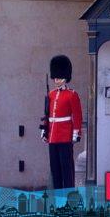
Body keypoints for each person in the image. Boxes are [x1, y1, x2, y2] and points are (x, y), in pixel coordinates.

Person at [41, 55, 82, 189]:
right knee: (55, 169)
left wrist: (76, 133)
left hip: (65, 135)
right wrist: (44, 130)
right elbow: (47, 115)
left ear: (65, 77)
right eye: (55, 77)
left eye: (59, 77)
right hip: (53, 136)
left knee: (66, 169)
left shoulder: (72, 94)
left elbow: (77, 115)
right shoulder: (51, 94)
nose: (56, 80)